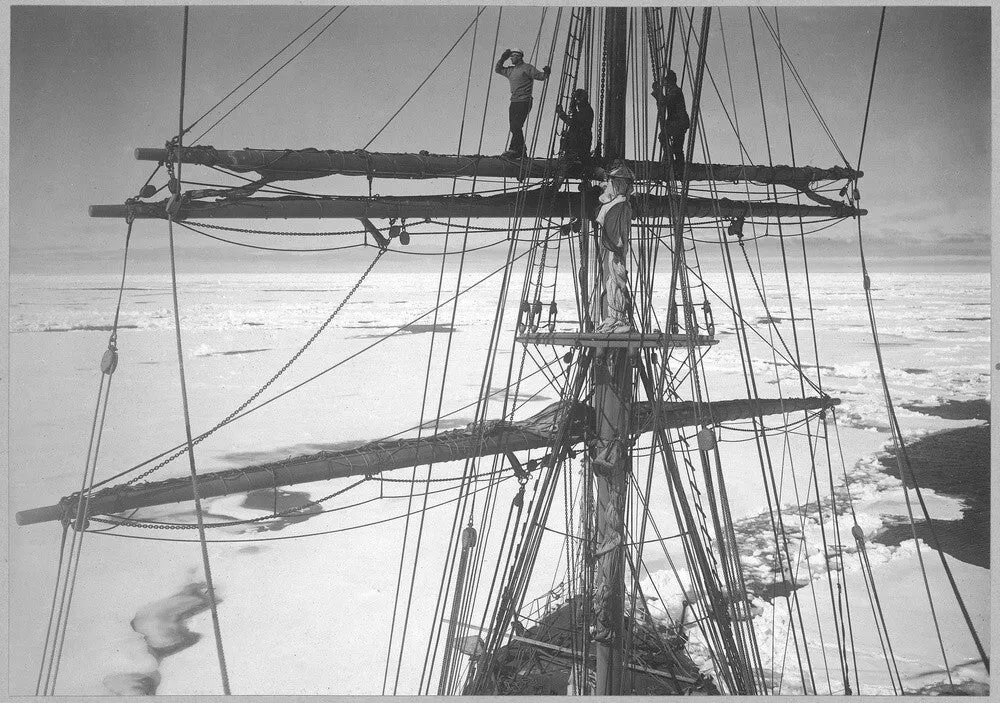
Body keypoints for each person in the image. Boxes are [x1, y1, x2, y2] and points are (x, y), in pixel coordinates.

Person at [592, 161, 634, 333]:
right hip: (613, 251)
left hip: (614, 253)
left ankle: (616, 316)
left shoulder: (618, 206)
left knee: (613, 271)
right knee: (612, 271)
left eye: (610, 184)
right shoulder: (620, 203)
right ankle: (614, 315)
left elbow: (614, 240)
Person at [495, 48, 550, 158]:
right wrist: (502, 58)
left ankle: (514, 149)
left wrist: (547, 72)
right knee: (514, 127)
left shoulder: (527, 68)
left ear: (519, 57)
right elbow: (498, 69)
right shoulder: (510, 70)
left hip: (524, 101)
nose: (511, 58)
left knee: (516, 126)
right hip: (514, 101)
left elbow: (541, 76)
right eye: (510, 56)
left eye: (513, 56)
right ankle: (521, 151)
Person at [651, 69, 690, 170]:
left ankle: (669, 157)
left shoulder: (675, 91)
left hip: (678, 123)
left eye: (665, 81)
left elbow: (665, 102)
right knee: (678, 148)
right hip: (680, 123)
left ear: (669, 81)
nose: (664, 84)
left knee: (663, 136)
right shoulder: (674, 90)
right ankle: (679, 167)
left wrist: (657, 92)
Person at [555, 88, 594, 164]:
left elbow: (574, 123)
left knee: (575, 159)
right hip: (581, 140)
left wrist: (561, 113)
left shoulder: (586, 110)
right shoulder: (585, 109)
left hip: (580, 142)